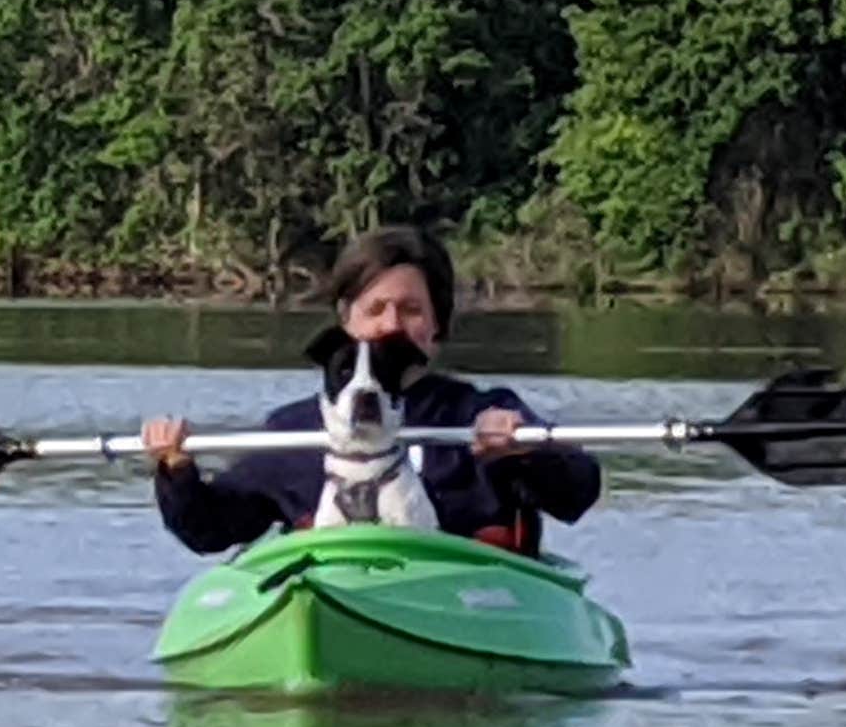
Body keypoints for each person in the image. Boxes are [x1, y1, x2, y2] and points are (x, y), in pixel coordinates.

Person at [142, 225, 601, 555]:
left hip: (466, 592)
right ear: (347, 319)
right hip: (334, 589)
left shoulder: (485, 413)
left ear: (437, 323)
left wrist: (524, 451)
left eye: (411, 310)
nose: (390, 326)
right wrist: (175, 469)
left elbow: (578, 491)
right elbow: (210, 530)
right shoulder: (295, 430)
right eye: (376, 308)